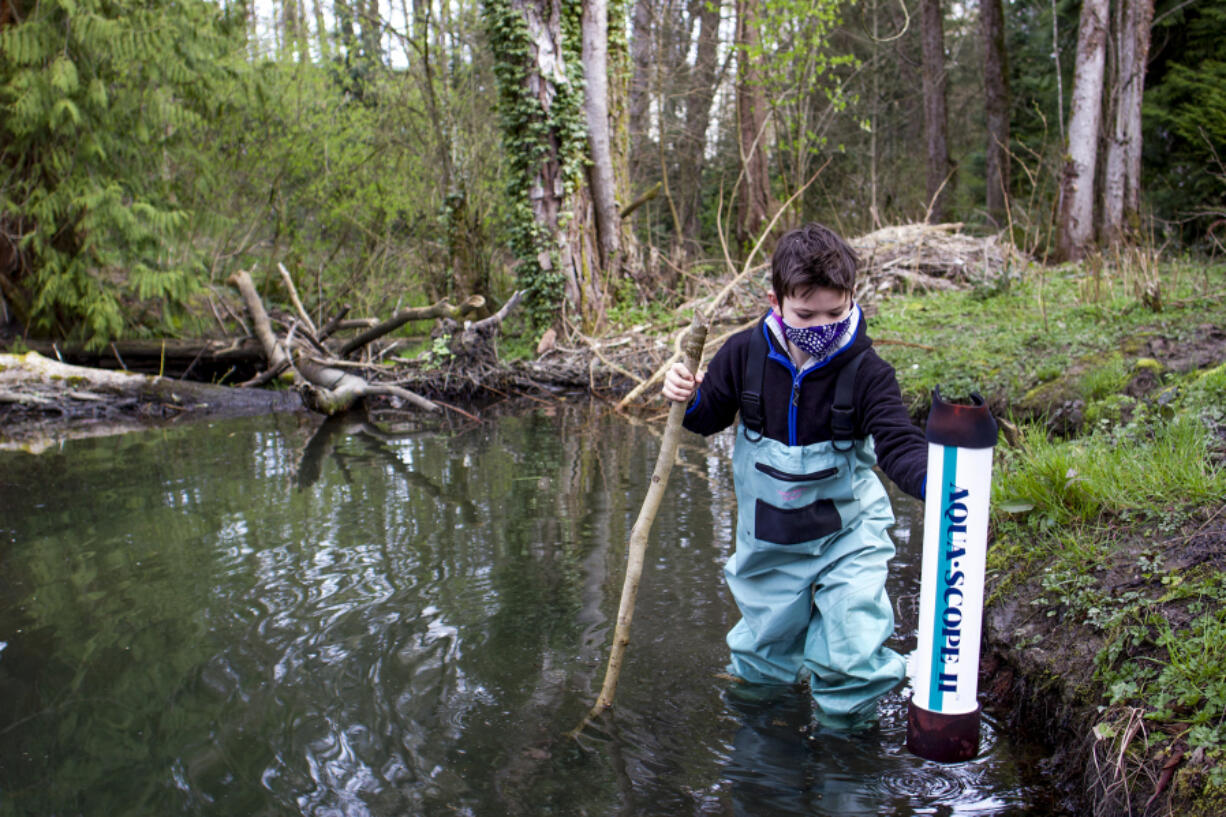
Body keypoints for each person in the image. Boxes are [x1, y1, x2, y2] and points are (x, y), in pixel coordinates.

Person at [662, 222, 927, 730]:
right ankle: (765, 767)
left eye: (836, 312)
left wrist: (938, 485)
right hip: (770, 542)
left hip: (849, 536)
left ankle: (848, 759)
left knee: (852, 656)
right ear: (776, 300)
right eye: (806, 314)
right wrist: (683, 393)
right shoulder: (743, 354)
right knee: (762, 664)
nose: (821, 325)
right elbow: (704, 416)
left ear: (852, 298)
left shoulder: (870, 373)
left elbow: (899, 445)